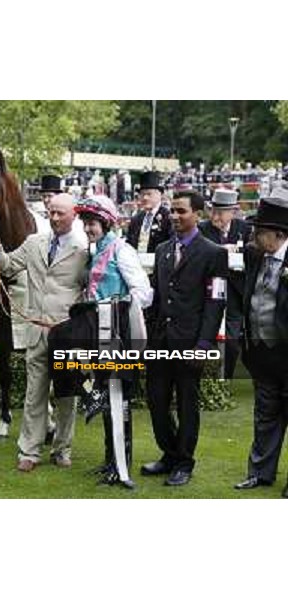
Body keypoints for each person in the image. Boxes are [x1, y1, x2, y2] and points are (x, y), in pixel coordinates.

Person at [0, 193, 87, 472]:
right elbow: (7, 266)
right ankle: (29, 451)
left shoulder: (83, 251)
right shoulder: (34, 243)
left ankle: (61, 449)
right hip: (36, 329)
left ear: (74, 216)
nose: (55, 218)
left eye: (61, 214)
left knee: (68, 395)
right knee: (35, 393)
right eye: (52, 213)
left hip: (66, 334)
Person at [142, 190, 228, 486]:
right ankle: (169, 453)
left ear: (198, 215)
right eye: (172, 211)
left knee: (187, 404)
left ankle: (184, 462)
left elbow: (216, 302)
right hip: (160, 342)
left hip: (192, 343)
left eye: (181, 211)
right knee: (156, 401)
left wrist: (203, 345)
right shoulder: (163, 250)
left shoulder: (214, 253)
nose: (174, 216)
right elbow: (156, 298)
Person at [75, 195, 152, 486]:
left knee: (118, 400)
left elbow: (144, 293)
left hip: (118, 339)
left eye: (92, 223)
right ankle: (110, 460)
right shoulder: (95, 251)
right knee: (106, 399)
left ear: (106, 223)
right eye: (86, 223)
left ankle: (121, 468)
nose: (88, 228)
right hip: (98, 336)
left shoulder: (122, 250)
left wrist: (114, 305)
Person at [234, 182, 288, 498]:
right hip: (261, 350)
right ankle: (259, 474)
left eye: (260, 231)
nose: (254, 236)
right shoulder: (256, 255)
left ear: (279, 233)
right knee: (265, 414)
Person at [199, 188, 251, 379]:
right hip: (209, 291)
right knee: (207, 335)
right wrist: (222, 250)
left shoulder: (244, 229)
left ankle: (225, 376)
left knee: (231, 339)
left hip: (235, 292)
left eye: (221, 212)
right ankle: (207, 375)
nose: (216, 216)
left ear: (233, 212)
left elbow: (252, 254)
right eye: (213, 210)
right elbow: (200, 252)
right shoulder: (203, 229)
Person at [125, 171, 173, 254]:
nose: (145, 198)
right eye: (142, 194)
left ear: (159, 194)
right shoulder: (136, 219)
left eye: (149, 194)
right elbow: (129, 243)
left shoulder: (168, 217)